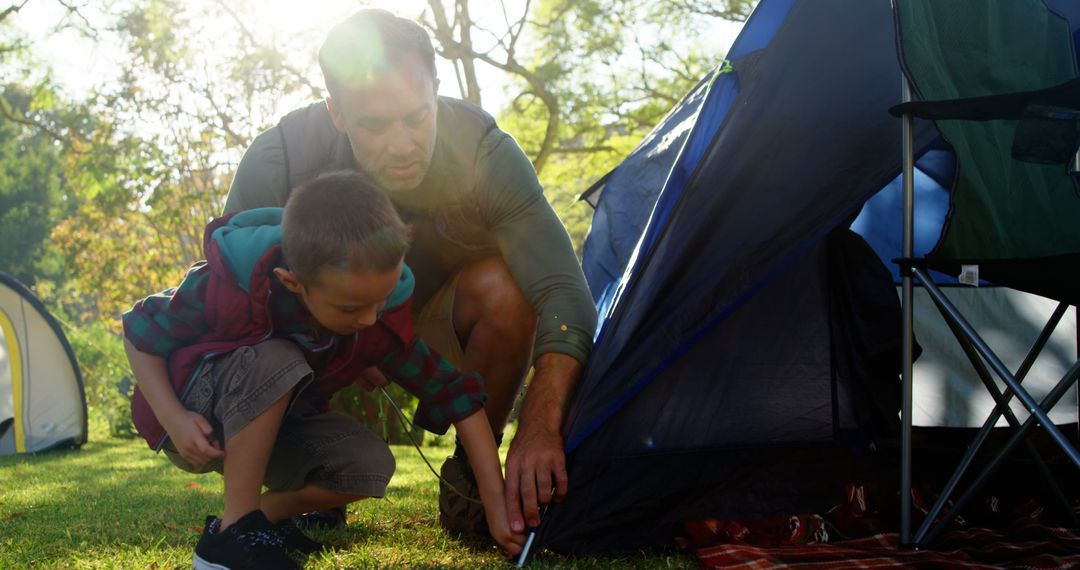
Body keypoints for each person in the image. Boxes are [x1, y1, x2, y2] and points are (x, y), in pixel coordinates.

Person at [223, 9, 597, 538]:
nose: (402, 145)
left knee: (507, 287)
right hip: (312, 340)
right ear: (337, 113)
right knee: (262, 343)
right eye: (375, 125)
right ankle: (304, 477)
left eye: (417, 117)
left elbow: (564, 292)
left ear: (436, 90)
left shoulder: (485, 152)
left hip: (425, 333)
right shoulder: (278, 160)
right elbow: (224, 303)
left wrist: (539, 426)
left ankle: (474, 484)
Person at [123, 171, 526, 569]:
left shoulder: (374, 317)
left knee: (369, 463)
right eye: (351, 309)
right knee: (278, 357)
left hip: (275, 427)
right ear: (293, 283)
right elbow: (139, 332)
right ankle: (233, 538)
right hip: (194, 414)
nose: (370, 319)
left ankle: (261, 518)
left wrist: (495, 505)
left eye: (381, 300)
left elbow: (456, 395)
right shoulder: (231, 279)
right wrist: (173, 418)